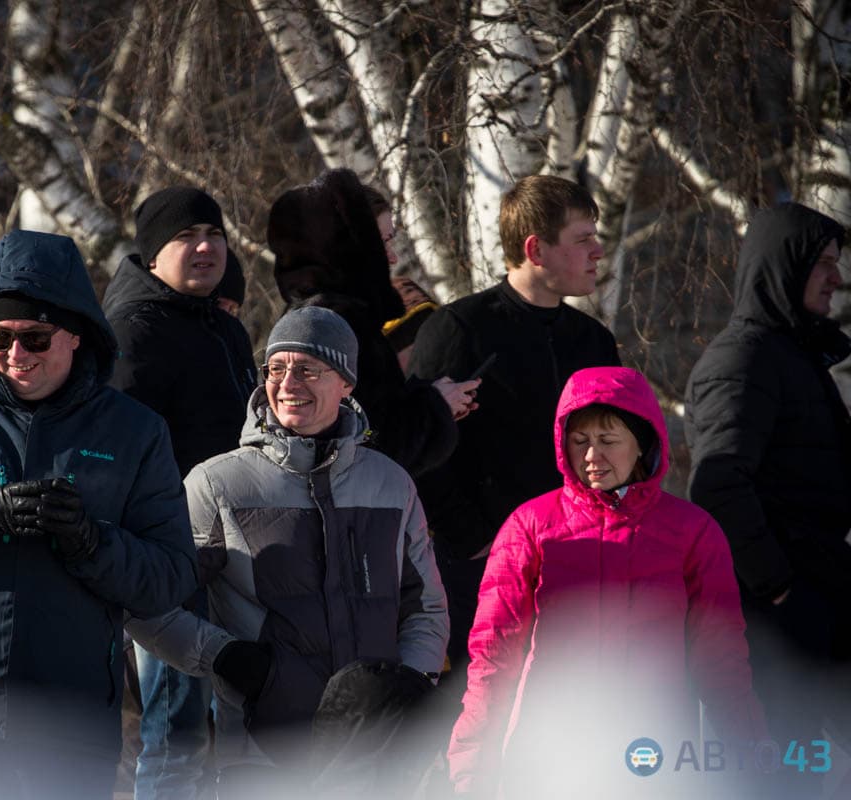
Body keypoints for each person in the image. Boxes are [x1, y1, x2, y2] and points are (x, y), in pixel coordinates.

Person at [0, 230, 197, 799]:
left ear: (75, 335)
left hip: (70, 729)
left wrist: (91, 542)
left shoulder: (134, 431)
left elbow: (171, 575)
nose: (16, 355)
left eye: (34, 338)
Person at [128, 306, 449, 794]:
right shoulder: (218, 484)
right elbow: (146, 600)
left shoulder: (391, 484)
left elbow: (425, 606)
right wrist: (225, 657)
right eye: (276, 369)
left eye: (308, 369)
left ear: (346, 383)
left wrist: (406, 683)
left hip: (378, 758)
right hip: (262, 755)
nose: (287, 382)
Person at [448, 366, 764, 798]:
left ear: (642, 444)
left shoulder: (693, 531)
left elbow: (722, 660)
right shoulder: (530, 526)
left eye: (608, 441)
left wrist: (752, 761)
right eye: (579, 442)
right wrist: (470, 772)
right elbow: (493, 658)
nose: (592, 456)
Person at [406, 175, 620, 695]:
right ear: (535, 249)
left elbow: (622, 448)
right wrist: (473, 539)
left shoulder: (594, 340)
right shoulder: (460, 329)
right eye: (583, 238)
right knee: (487, 715)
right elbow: (419, 445)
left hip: (584, 565)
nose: (598, 250)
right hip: (485, 573)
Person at [686, 203, 851, 798]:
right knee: (787, 777)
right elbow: (717, 484)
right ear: (787, 266)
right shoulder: (744, 359)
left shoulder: (796, 360)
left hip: (820, 600)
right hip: (778, 620)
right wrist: (780, 588)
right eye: (824, 263)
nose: (836, 277)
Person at [103, 187, 257, 799]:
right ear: (151, 255)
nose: (204, 247)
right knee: (177, 734)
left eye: (214, 234)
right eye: (185, 237)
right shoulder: (131, 333)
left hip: (239, 548)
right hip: (170, 558)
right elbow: (115, 459)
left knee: (244, 726)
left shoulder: (224, 329)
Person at [268, 168, 474, 480]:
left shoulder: (333, 314)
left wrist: (427, 395)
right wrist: (436, 408)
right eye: (383, 242)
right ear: (353, 248)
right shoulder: (334, 321)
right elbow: (369, 444)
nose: (391, 258)